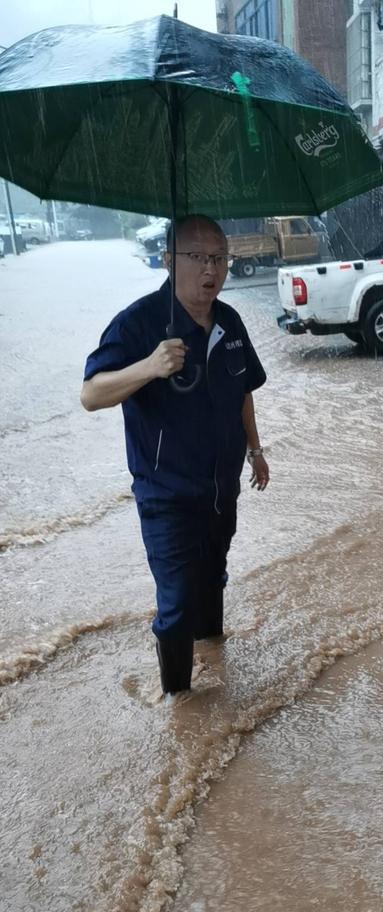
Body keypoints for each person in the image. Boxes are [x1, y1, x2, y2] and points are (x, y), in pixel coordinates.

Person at [81, 214, 269, 695]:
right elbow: (92, 394)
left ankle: (214, 658)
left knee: (213, 577)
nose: (212, 269)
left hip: (220, 487)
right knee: (177, 602)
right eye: (199, 257)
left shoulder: (229, 321)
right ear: (169, 260)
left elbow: (244, 390)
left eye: (220, 257)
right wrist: (149, 365)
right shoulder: (139, 323)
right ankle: (181, 707)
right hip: (165, 493)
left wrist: (256, 450)